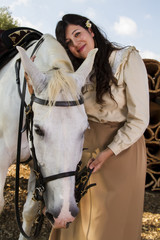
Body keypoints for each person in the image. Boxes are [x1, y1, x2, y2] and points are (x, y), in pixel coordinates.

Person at [49, 13, 149, 240]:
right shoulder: (79, 73)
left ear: (90, 30)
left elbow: (140, 118)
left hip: (120, 151)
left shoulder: (125, 59)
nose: (76, 44)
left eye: (78, 34)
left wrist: (108, 152)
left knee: (105, 225)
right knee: (76, 218)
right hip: (82, 151)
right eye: (69, 43)